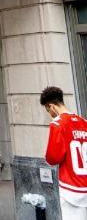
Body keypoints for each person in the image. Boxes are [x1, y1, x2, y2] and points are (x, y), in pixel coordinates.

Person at [41, 85, 87, 219]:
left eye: (48, 110)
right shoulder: (84, 122)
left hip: (71, 188)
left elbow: (53, 158)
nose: (49, 113)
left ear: (52, 106)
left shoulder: (58, 124)